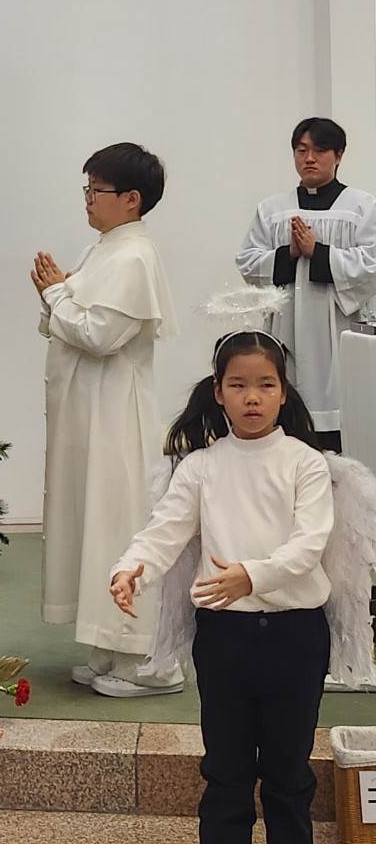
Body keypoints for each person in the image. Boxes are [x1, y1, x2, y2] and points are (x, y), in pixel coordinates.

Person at [110, 330, 335, 844]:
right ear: (218, 391)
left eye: (265, 384)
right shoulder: (201, 466)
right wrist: (130, 569)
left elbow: (309, 545)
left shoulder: (306, 462)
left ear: (283, 392)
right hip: (224, 636)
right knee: (226, 770)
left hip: (296, 636)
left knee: (288, 772)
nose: (252, 397)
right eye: (238, 385)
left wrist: (250, 576)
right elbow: (164, 531)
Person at [31, 142, 180, 697]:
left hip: (115, 413)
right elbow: (71, 317)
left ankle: (148, 660)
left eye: (97, 190)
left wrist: (56, 293)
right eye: (87, 189)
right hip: (90, 410)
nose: (88, 200)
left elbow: (100, 335)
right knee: (93, 518)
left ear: (131, 199)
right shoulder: (106, 249)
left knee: (118, 519)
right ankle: (109, 646)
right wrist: (59, 295)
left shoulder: (134, 256)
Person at [236, 116, 376, 450]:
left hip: (338, 329)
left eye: (319, 150)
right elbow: (247, 262)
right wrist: (288, 254)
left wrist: (320, 253)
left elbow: (371, 264)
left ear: (339, 155)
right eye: (301, 150)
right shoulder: (272, 210)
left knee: (341, 417)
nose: (309, 158)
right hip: (287, 328)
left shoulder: (362, 207)